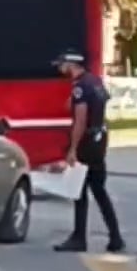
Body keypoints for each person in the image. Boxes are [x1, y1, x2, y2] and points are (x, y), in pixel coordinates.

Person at [52, 49, 125, 253]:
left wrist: (73, 149)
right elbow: (97, 104)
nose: (60, 68)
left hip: (86, 142)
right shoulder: (95, 81)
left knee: (79, 191)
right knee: (99, 190)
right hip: (99, 138)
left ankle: (79, 237)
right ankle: (115, 236)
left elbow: (80, 120)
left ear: (71, 64)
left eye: (62, 64)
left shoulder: (80, 87)